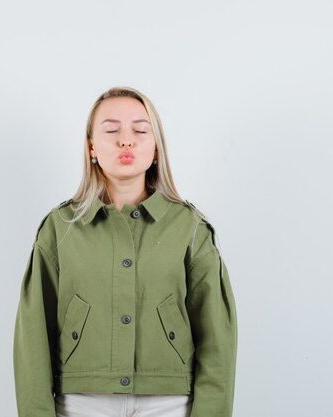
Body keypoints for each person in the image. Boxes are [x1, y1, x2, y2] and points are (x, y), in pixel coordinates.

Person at [13, 86, 238, 417]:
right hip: (80, 402)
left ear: (156, 147)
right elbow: (32, 334)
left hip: (170, 403)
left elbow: (218, 338)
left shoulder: (190, 228)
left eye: (140, 130)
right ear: (91, 145)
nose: (126, 140)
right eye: (111, 130)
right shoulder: (59, 227)